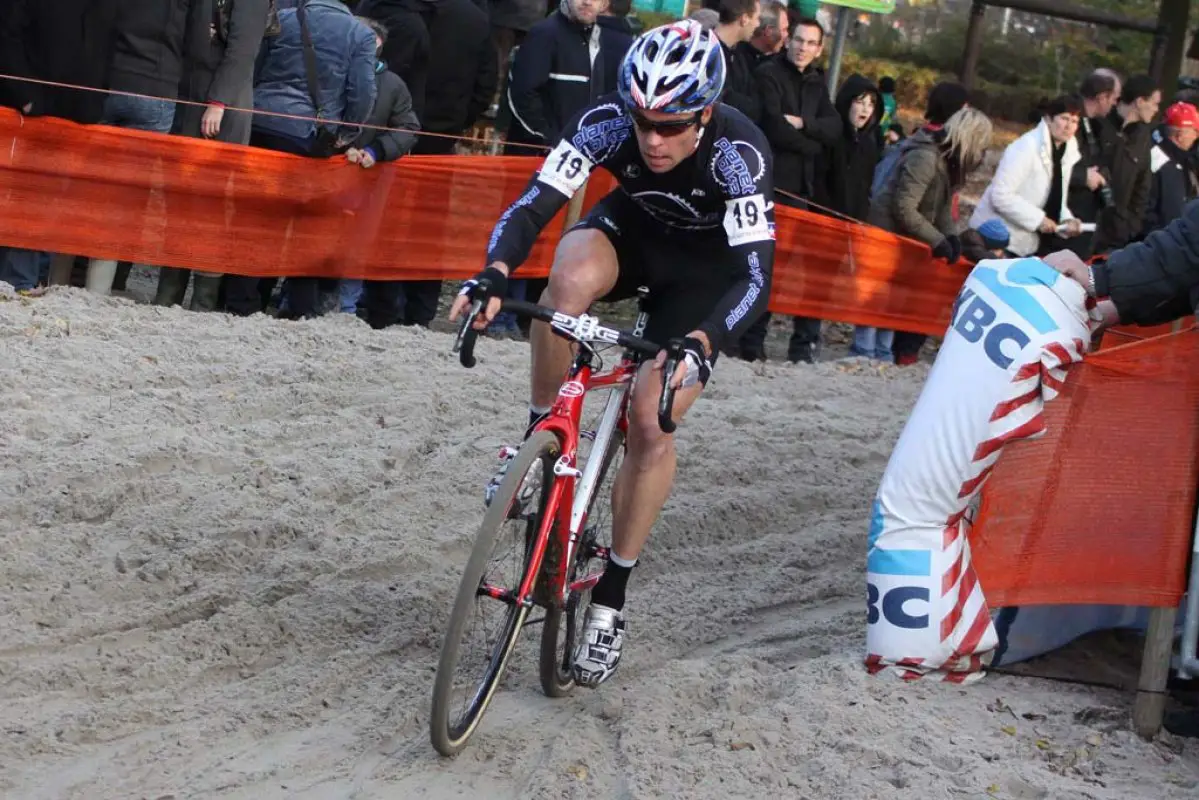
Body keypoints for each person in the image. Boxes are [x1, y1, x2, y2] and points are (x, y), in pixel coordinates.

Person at [448, 20, 775, 688]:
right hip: (632, 234)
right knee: (561, 283)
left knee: (650, 420)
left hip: (706, 280)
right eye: (642, 122)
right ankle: (539, 436)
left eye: (670, 125)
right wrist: (494, 272)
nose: (652, 139)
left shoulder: (737, 154)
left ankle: (610, 599)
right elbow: (535, 201)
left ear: (704, 113)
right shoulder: (604, 122)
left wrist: (703, 341)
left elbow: (754, 275)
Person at [969, 95, 1085, 259]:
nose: (1069, 126)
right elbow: (1001, 195)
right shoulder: (1026, 146)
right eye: (1064, 118)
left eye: (1074, 121)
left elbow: (1056, 196)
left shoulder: (1067, 152)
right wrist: (1039, 220)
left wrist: (1067, 220)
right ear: (1048, 119)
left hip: (1025, 244)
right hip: (995, 239)